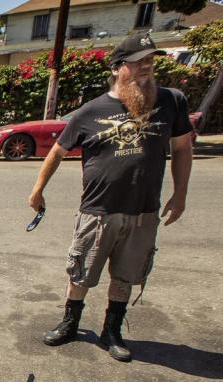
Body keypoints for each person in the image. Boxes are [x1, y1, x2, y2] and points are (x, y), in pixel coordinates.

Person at [28, 33, 193, 362]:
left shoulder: (171, 101)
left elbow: (182, 148)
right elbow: (58, 152)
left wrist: (180, 195)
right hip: (98, 209)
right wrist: (38, 189)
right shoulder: (91, 111)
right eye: (138, 62)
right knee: (81, 272)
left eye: (150, 61)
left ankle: (112, 330)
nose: (146, 67)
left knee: (126, 275)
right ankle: (70, 323)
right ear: (118, 68)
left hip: (143, 211)